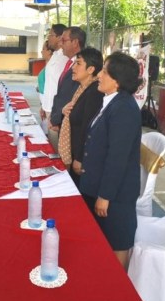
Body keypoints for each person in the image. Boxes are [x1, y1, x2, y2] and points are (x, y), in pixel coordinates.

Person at [79, 52, 143, 268]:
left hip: (116, 193)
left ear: (117, 80)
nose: (99, 76)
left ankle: (120, 294)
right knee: (103, 240)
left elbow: (118, 157)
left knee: (117, 242)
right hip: (102, 186)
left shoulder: (124, 108)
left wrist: (105, 195)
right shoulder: (112, 102)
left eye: (105, 72)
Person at [58, 47, 104, 185]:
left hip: (82, 160)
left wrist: (79, 158)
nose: (73, 68)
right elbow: (74, 117)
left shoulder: (95, 92)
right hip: (75, 152)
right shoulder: (81, 88)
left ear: (91, 69)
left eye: (78, 63)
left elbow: (88, 128)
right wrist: (64, 111)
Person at [50, 26, 85, 149]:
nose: (61, 44)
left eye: (64, 41)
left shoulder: (82, 67)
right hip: (60, 119)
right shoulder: (69, 62)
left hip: (69, 126)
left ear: (75, 42)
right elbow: (60, 94)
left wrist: (58, 119)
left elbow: (71, 98)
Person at [40, 24, 68, 143]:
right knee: (50, 142)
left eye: (51, 35)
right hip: (48, 106)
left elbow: (62, 87)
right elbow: (50, 83)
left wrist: (56, 112)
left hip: (56, 109)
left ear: (59, 37)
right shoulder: (55, 55)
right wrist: (43, 105)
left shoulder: (64, 57)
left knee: (55, 146)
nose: (48, 38)